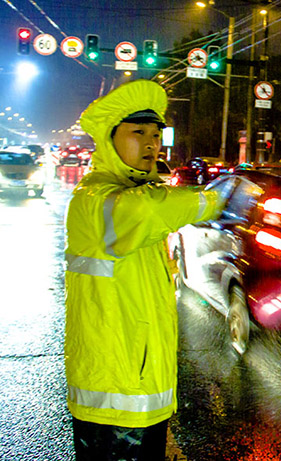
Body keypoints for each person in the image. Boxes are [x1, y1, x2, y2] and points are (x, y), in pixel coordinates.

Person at [64, 80, 225, 460]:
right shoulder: (95, 198)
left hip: (142, 387)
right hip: (112, 396)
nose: (152, 143)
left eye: (156, 134)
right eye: (138, 133)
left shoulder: (138, 189)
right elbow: (148, 210)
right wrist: (215, 198)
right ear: (109, 138)